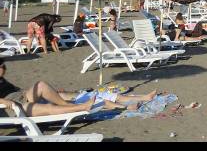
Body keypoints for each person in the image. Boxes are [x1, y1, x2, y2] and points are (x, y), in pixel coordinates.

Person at [0, 58, 157, 117]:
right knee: (48, 107)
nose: (3, 70)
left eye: (3, 67)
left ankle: (141, 98)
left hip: (21, 96)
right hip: (10, 107)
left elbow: (16, 90)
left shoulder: (2, 79)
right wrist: (10, 104)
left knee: (79, 95)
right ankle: (122, 108)